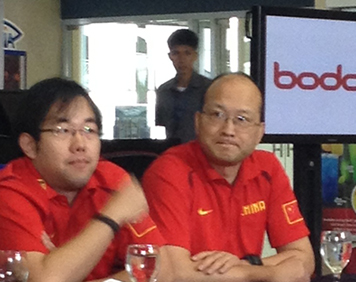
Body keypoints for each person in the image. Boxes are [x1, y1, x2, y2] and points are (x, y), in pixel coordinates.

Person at [143, 73, 314, 282]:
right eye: (217, 115)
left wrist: (247, 263)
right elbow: (173, 273)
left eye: (242, 119)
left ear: (259, 132)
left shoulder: (268, 168)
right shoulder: (169, 171)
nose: (228, 130)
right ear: (198, 121)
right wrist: (267, 273)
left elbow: (304, 259)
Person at [0, 78, 168, 282]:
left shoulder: (111, 179)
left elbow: (162, 268)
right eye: (62, 130)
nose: (80, 144)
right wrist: (112, 216)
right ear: (30, 145)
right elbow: (44, 280)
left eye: (89, 130)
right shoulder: (9, 192)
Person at [155, 29, 212, 143]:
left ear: (195, 56)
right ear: (170, 56)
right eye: (176, 53)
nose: (181, 59)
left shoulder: (209, 88)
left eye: (187, 53)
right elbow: (162, 125)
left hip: (201, 151)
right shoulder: (164, 90)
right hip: (173, 151)